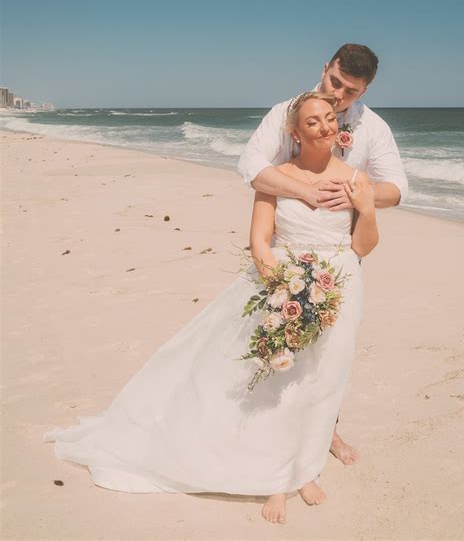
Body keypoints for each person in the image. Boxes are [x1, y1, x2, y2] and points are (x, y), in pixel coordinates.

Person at [44, 94, 378, 525]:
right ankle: (276, 478)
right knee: (281, 382)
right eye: (313, 122)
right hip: (287, 284)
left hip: (342, 286)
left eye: (330, 118)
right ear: (295, 133)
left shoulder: (356, 178)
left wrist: (366, 208)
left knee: (323, 381)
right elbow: (260, 240)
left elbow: (363, 245)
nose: (325, 127)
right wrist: (285, 291)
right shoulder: (275, 178)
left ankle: (306, 467)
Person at [238, 43, 407, 465]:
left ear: (363, 91)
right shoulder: (285, 113)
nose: (339, 95)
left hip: (342, 251)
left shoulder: (374, 128)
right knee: (285, 346)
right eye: (335, 82)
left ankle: (324, 432)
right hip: (288, 245)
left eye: (351, 91)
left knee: (332, 353)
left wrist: (359, 193)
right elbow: (251, 166)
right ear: (325, 67)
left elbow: (397, 189)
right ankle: (274, 434)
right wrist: (306, 193)